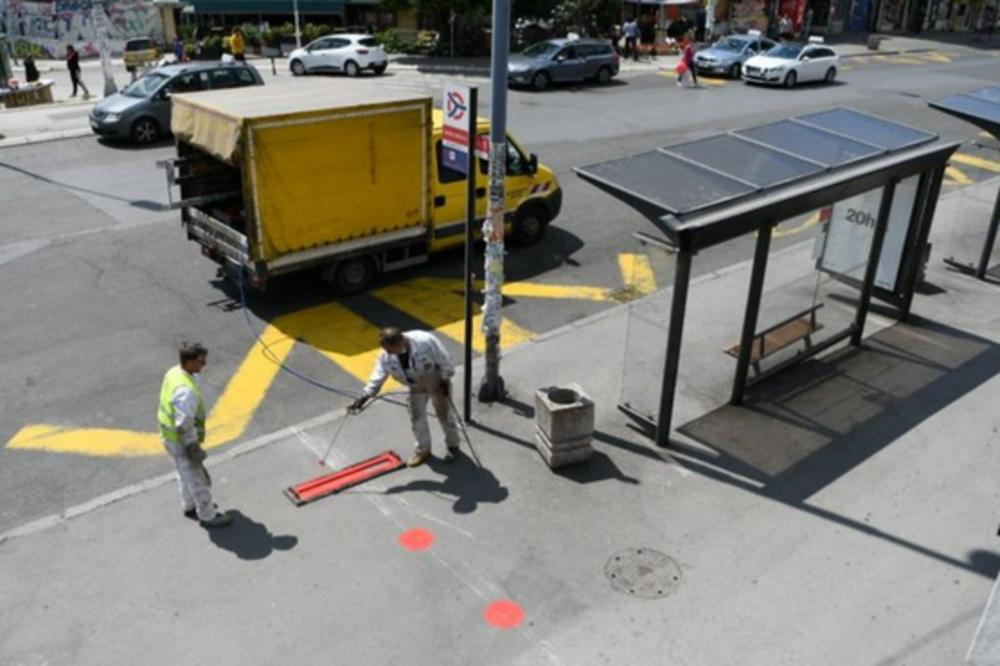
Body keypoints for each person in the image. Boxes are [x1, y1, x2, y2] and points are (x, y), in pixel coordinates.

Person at [351, 328, 461, 468]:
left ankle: (453, 446)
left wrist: (445, 379)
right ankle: (423, 449)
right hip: (415, 386)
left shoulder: (425, 341)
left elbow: (445, 359)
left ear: (402, 340)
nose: (389, 353)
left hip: (435, 380)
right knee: (416, 418)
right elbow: (378, 375)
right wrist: (365, 396)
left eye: (392, 349)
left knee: (444, 415)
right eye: (386, 349)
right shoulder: (386, 355)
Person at [158, 342, 232, 528]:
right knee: (197, 477)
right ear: (189, 362)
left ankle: (189, 505)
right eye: (200, 361)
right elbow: (184, 424)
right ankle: (207, 515)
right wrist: (193, 446)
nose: (204, 364)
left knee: (184, 473)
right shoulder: (186, 391)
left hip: (169, 436)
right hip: (182, 441)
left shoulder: (174, 372)